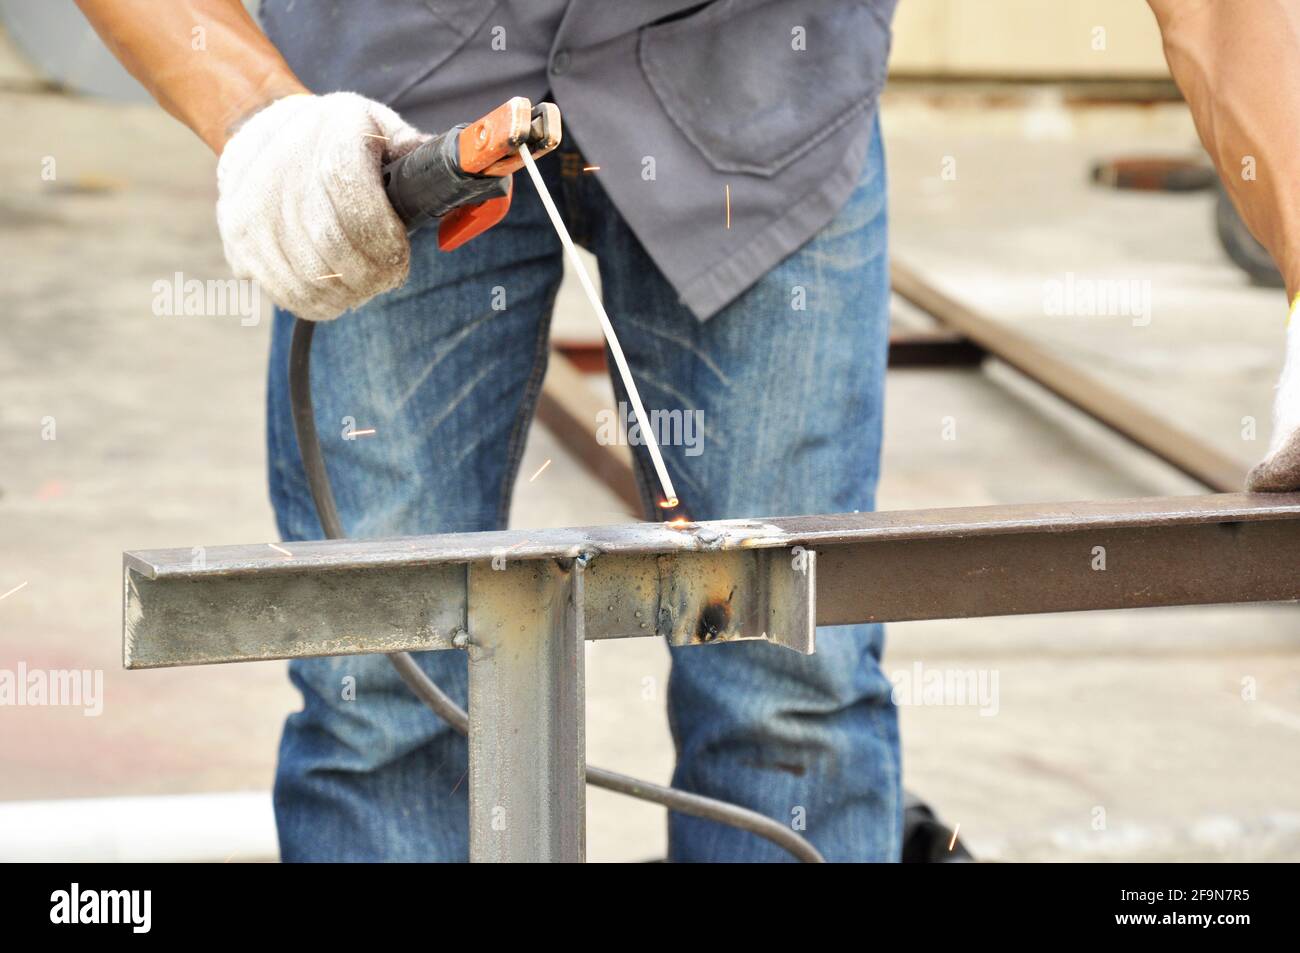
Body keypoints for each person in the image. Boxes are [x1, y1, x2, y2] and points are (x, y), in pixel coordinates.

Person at [75, 0, 1300, 862]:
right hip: (390, 92)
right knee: (378, 680)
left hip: (757, 86)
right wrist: (260, 117)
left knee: (789, 682)